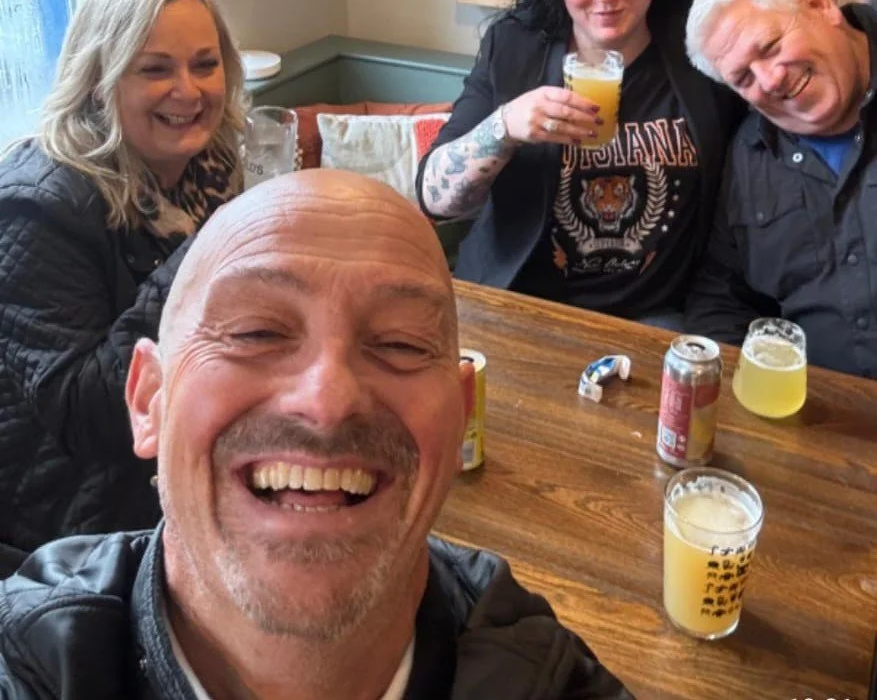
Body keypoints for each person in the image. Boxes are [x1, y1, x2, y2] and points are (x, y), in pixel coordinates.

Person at [0, 171, 632, 700]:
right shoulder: (35, 662)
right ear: (147, 402)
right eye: (256, 332)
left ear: (460, 413)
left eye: (401, 344)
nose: (328, 401)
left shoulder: (534, 669)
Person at [0, 0, 246, 574]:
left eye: (205, 64)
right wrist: (208, 249)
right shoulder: (37, 205)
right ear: (97, 80)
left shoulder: (207, 170)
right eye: (154, 69)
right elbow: (88, 414)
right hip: (76, 528)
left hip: (186, 467)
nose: (189, 91)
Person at [416, 0, 741, 327]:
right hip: (518, 299)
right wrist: (505, 126)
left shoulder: (700, 55)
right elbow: (435, 200)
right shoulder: (514, 47)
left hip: (653, 315)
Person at [684, 0, 877, 377]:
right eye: (742, 77)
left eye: (770, 45)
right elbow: (721, 296)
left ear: (818, 5)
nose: (769, 80)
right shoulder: (750, 155)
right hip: (817, 416)